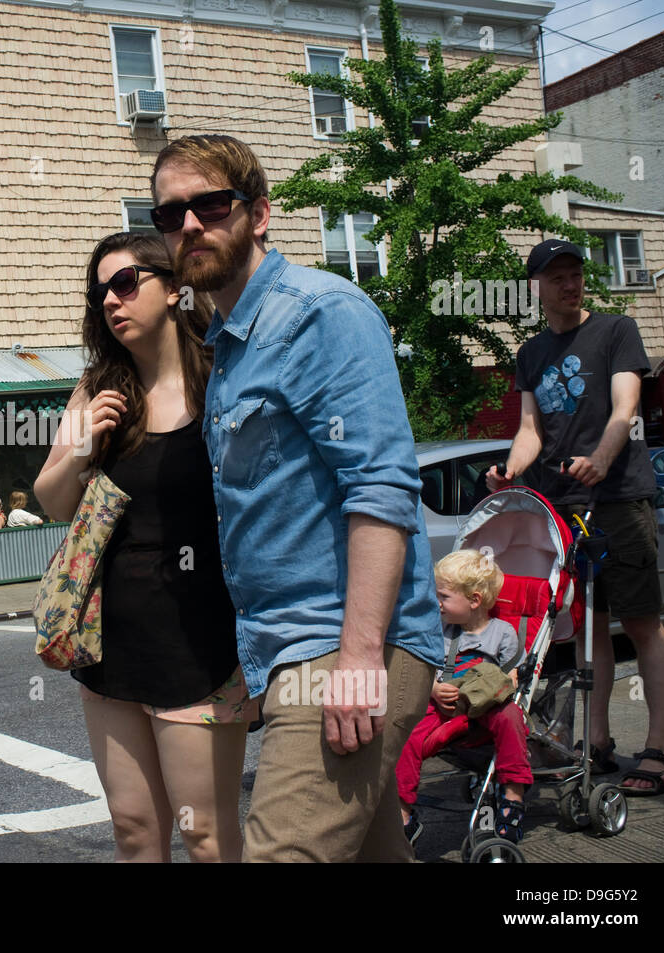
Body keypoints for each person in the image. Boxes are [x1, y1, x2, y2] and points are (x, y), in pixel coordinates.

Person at [150, 134, 442, 862]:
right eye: (169, 214)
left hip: (339, 648)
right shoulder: (229, 347)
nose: (189, 225)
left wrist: (358, 656)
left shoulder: (319, 313)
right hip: (290, 653)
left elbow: (381, 487)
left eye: (210, 205)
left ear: (260, 214)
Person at [35, 231, 257, 863]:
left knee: (206, 834)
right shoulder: (99, 388)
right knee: (133, 828)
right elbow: (54, 502)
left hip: (203, 641)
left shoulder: (223, 379)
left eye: (126, 283)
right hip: (113, 642)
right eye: (100, 289)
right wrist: (82, 446)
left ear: (173, 288)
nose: (111, 300)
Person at [486, 239, 664, 796]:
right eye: (557, 278)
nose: (570, 285)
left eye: (576, 275)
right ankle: (594, 742)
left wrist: (600, 458)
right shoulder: (530, 353)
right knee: (585, 625)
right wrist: (511, 472)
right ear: (537, 288)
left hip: (617, 498)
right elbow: (530, 431)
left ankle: (661, 747)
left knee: (641, 622)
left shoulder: (616, 331)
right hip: (559, 507)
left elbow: (626, 409)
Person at [396, 551, 532, 846]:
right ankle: (402, 812)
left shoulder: (502, 633)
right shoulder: (441, 630)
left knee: (511, 716)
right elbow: (426, 666)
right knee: (406, 733)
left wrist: (506, 683)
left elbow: (511, 679)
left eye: (444, 596)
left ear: (474, 600)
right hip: (447, 706)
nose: (437, 603)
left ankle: (513, 794)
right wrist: (432, 687)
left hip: (486, 707)